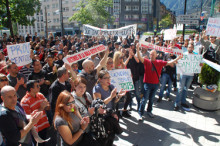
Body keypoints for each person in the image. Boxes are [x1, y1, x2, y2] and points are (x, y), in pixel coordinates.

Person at [136, 43, 182, 120]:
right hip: (147, 84)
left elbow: (169, 62)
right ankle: (140, 113)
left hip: (155, 84)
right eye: (151, 54)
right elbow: (140, 57)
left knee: (151, 99)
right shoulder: (147, 61)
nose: (151, 55)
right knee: (144, 99)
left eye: (153, 54)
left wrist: (178, 58)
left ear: (156, 55)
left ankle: (149, 111)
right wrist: (137, 49)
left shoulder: (159, 62)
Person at [20, 80, 50, 146]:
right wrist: (41, 108)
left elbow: (48, 107)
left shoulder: (40, 95)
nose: (40, 87)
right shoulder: (24, 102)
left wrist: (46, 106)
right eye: (37, 86)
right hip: (35, 130)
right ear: (31, 89)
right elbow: (29, 118)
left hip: (44, 125)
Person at [174, 44, 202, 111]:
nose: (190, 48)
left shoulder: (196, 56)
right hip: (183, 74)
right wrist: (176, 62)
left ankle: (183, 102)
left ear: (193, 48)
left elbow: (199, 64)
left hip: (191, 75)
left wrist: (200, 65)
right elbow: (178, 61)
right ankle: (176, 103)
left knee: (186, 89)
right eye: (189, 47)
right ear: (187, 48)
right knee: (180, 89)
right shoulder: (183, 55)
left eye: (191, 47)